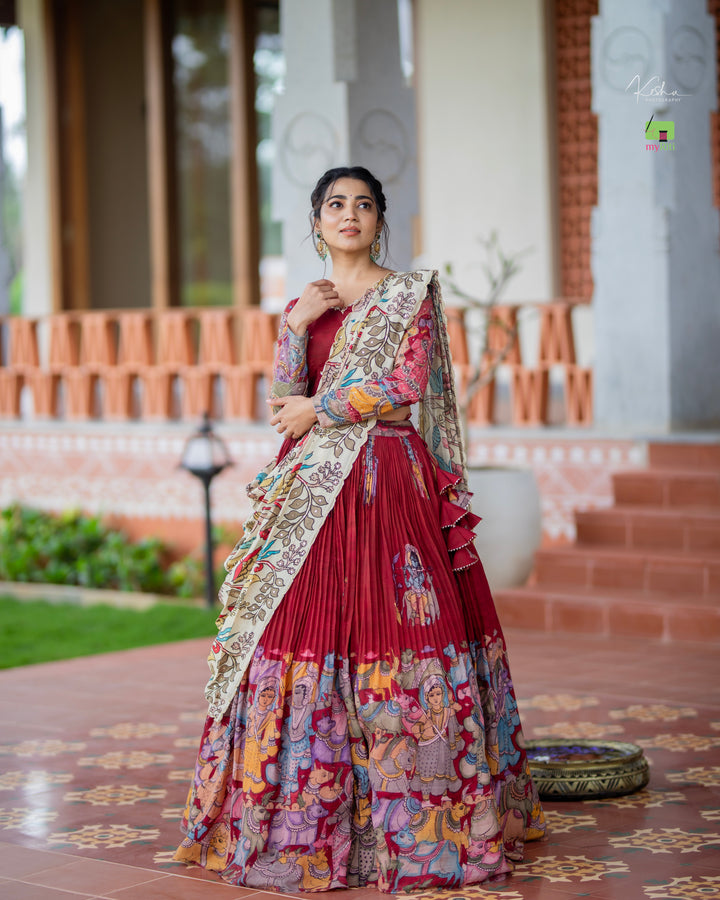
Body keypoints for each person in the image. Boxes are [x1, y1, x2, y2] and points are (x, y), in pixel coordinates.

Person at [174, 166, 546, 893]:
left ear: (379, 220)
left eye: (364, 205)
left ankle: (425, 831)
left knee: (397, 631)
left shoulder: (407, 297)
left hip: (387, 485)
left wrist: (324, 411)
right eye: (336, 205)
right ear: (316, 222)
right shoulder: (303, 305)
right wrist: (293, 330)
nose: (350, 215)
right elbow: (285, 400)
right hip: (314, 496)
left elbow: (404, 387)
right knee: (298, 635)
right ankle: (306, 832)